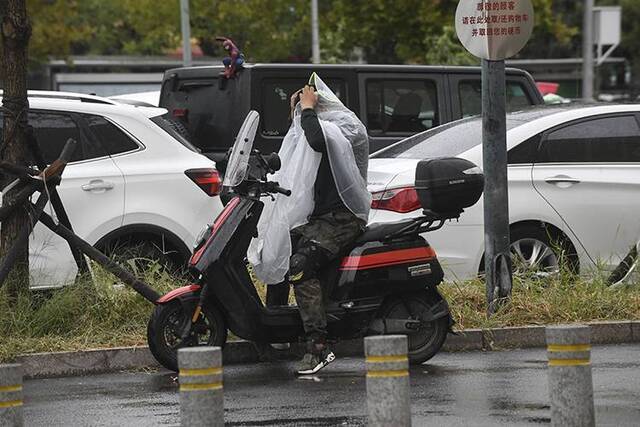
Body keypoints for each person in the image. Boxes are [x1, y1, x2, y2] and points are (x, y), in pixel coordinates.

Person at [251, 75, 370, 375]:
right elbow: (293, 151)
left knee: (300, 265)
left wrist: (307, 109)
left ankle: (318, 347)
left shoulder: (345, 128)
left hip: (344, 218)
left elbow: (318, 138)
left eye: (307, 107)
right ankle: (276, 332)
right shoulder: (319, 126)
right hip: (322, 218)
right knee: (279, 245)